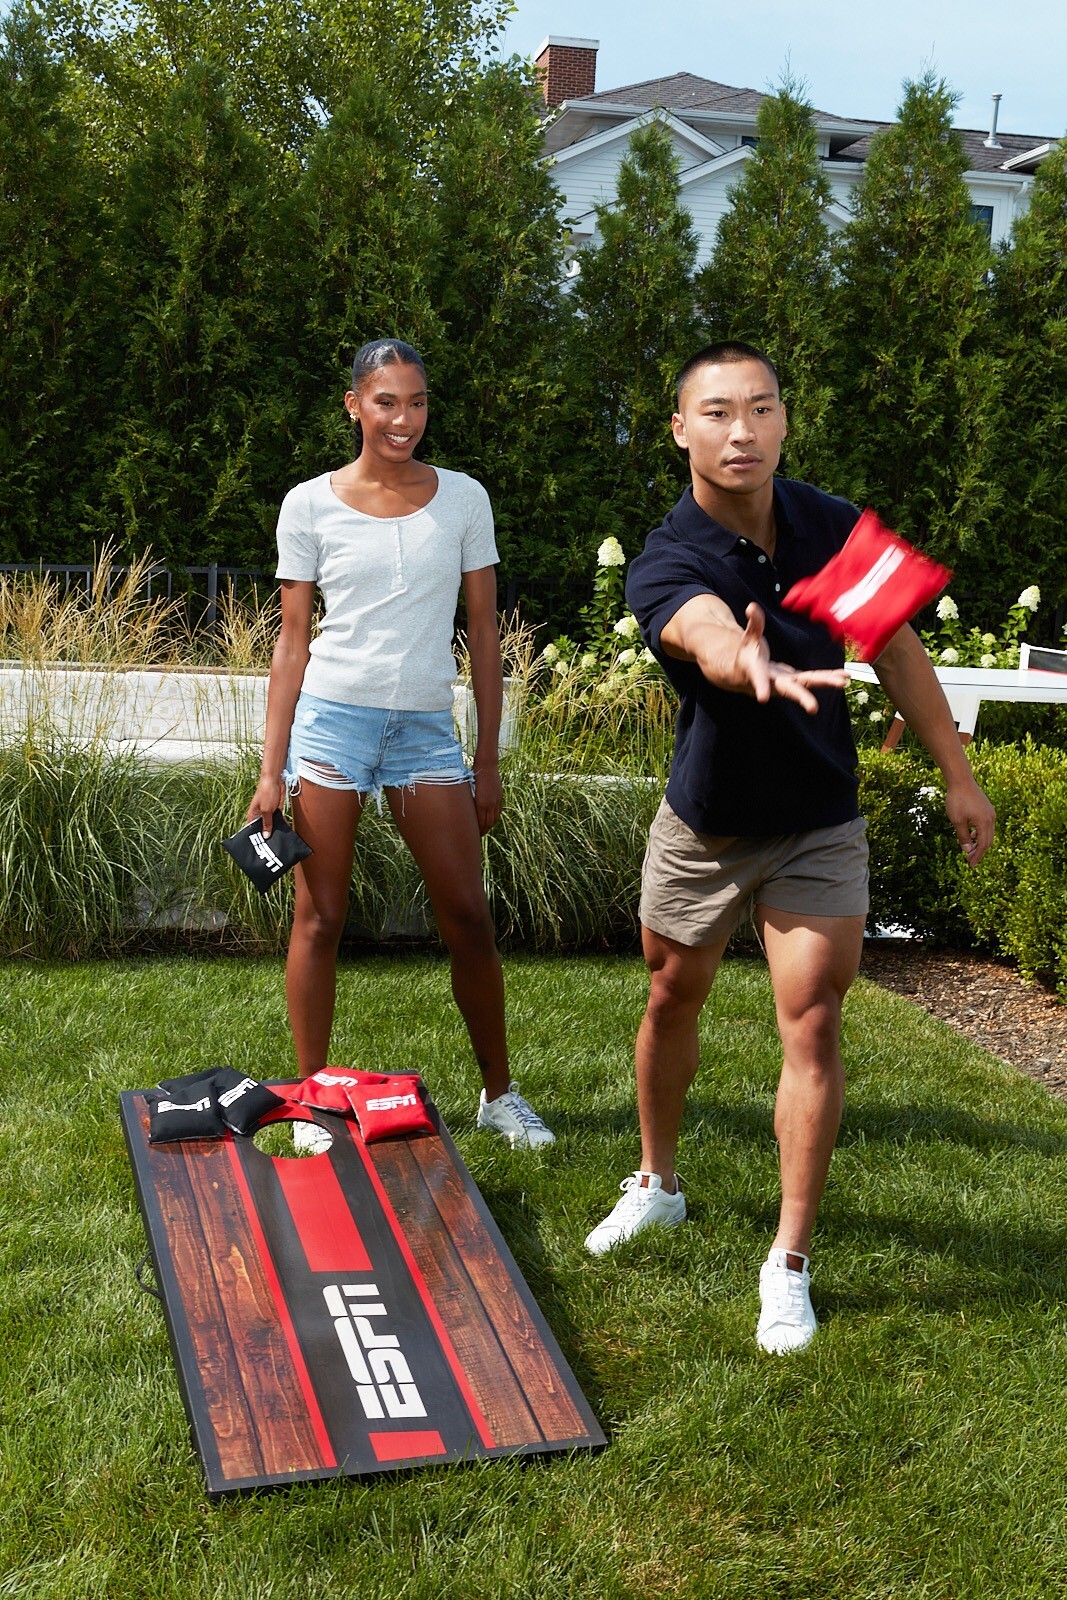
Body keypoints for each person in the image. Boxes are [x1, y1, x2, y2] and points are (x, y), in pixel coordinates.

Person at [584, 341, 994, 1352]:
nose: (741, 431)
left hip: (816, 819)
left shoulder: (827, 523)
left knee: (809, 1022)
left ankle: (788, 1260)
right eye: (716, 413)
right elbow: (698, 630)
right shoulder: (668, 553)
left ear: (781, 421)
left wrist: (957, 772)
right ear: (680, 429)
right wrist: (742, 658)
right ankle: (657, 1179)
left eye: (759, 409)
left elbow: (895, 646)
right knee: (667, 994)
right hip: (707, 822)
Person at [247, 338, 553, 1150]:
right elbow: (290, 642)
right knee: (321, 916)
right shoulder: (308, 503)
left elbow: (483, 633)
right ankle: (313, 1100)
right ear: (353, 405)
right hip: (330, 727)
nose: (403, 420)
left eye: (415, 403)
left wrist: (485, 758)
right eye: (386, 402)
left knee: (467, 915)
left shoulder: (462, 500)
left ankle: (499, 1094)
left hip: (425, 732)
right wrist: (269, 771)